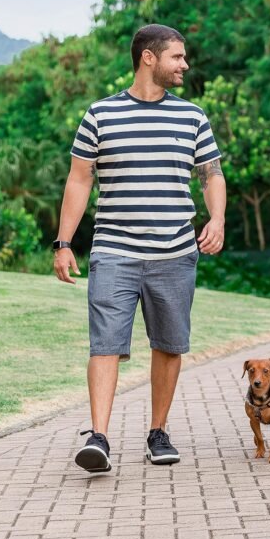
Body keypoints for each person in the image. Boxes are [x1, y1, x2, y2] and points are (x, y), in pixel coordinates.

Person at [53, 24, 226, 473]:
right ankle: (99, 437)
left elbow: (211, 175)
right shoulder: (100, 115)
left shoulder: (192, 117)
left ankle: (158, 432)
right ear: (149, 58)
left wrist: (218, 219)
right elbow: (79, 179)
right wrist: (64, 242)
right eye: (177, 57)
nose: (184, 65)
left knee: (169, 344)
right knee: (105, 343)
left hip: (174, 251)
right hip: (114, 251)